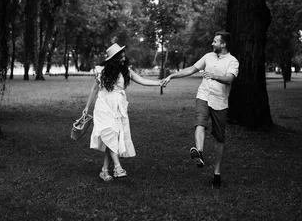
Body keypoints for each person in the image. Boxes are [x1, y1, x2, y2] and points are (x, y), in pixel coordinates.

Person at [161, 31, 239, 189]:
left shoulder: (233, 61)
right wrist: (172, 76)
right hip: (203, 95)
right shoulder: (208, 56)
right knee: (199, 123)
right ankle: (200, 153)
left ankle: (217, 173)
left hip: (220, 102)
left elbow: (230, 79)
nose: (212, 44)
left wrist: (213, 76)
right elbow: (191, 69)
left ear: (223, 44)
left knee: (219, 139)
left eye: (215, 42)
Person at [83, 43, 162, 182]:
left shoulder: (126, 70)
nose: (124, 58)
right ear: (113, 58)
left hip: (118, 106)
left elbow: (142, 80)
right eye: (121, 56)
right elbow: (94, 90)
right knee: (110, 132)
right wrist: (86, 107)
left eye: (124, 55)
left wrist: (159, 83)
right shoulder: (101, 70)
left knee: (112, 136)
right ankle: (118, 167)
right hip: (103, 105)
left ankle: (104, 171)